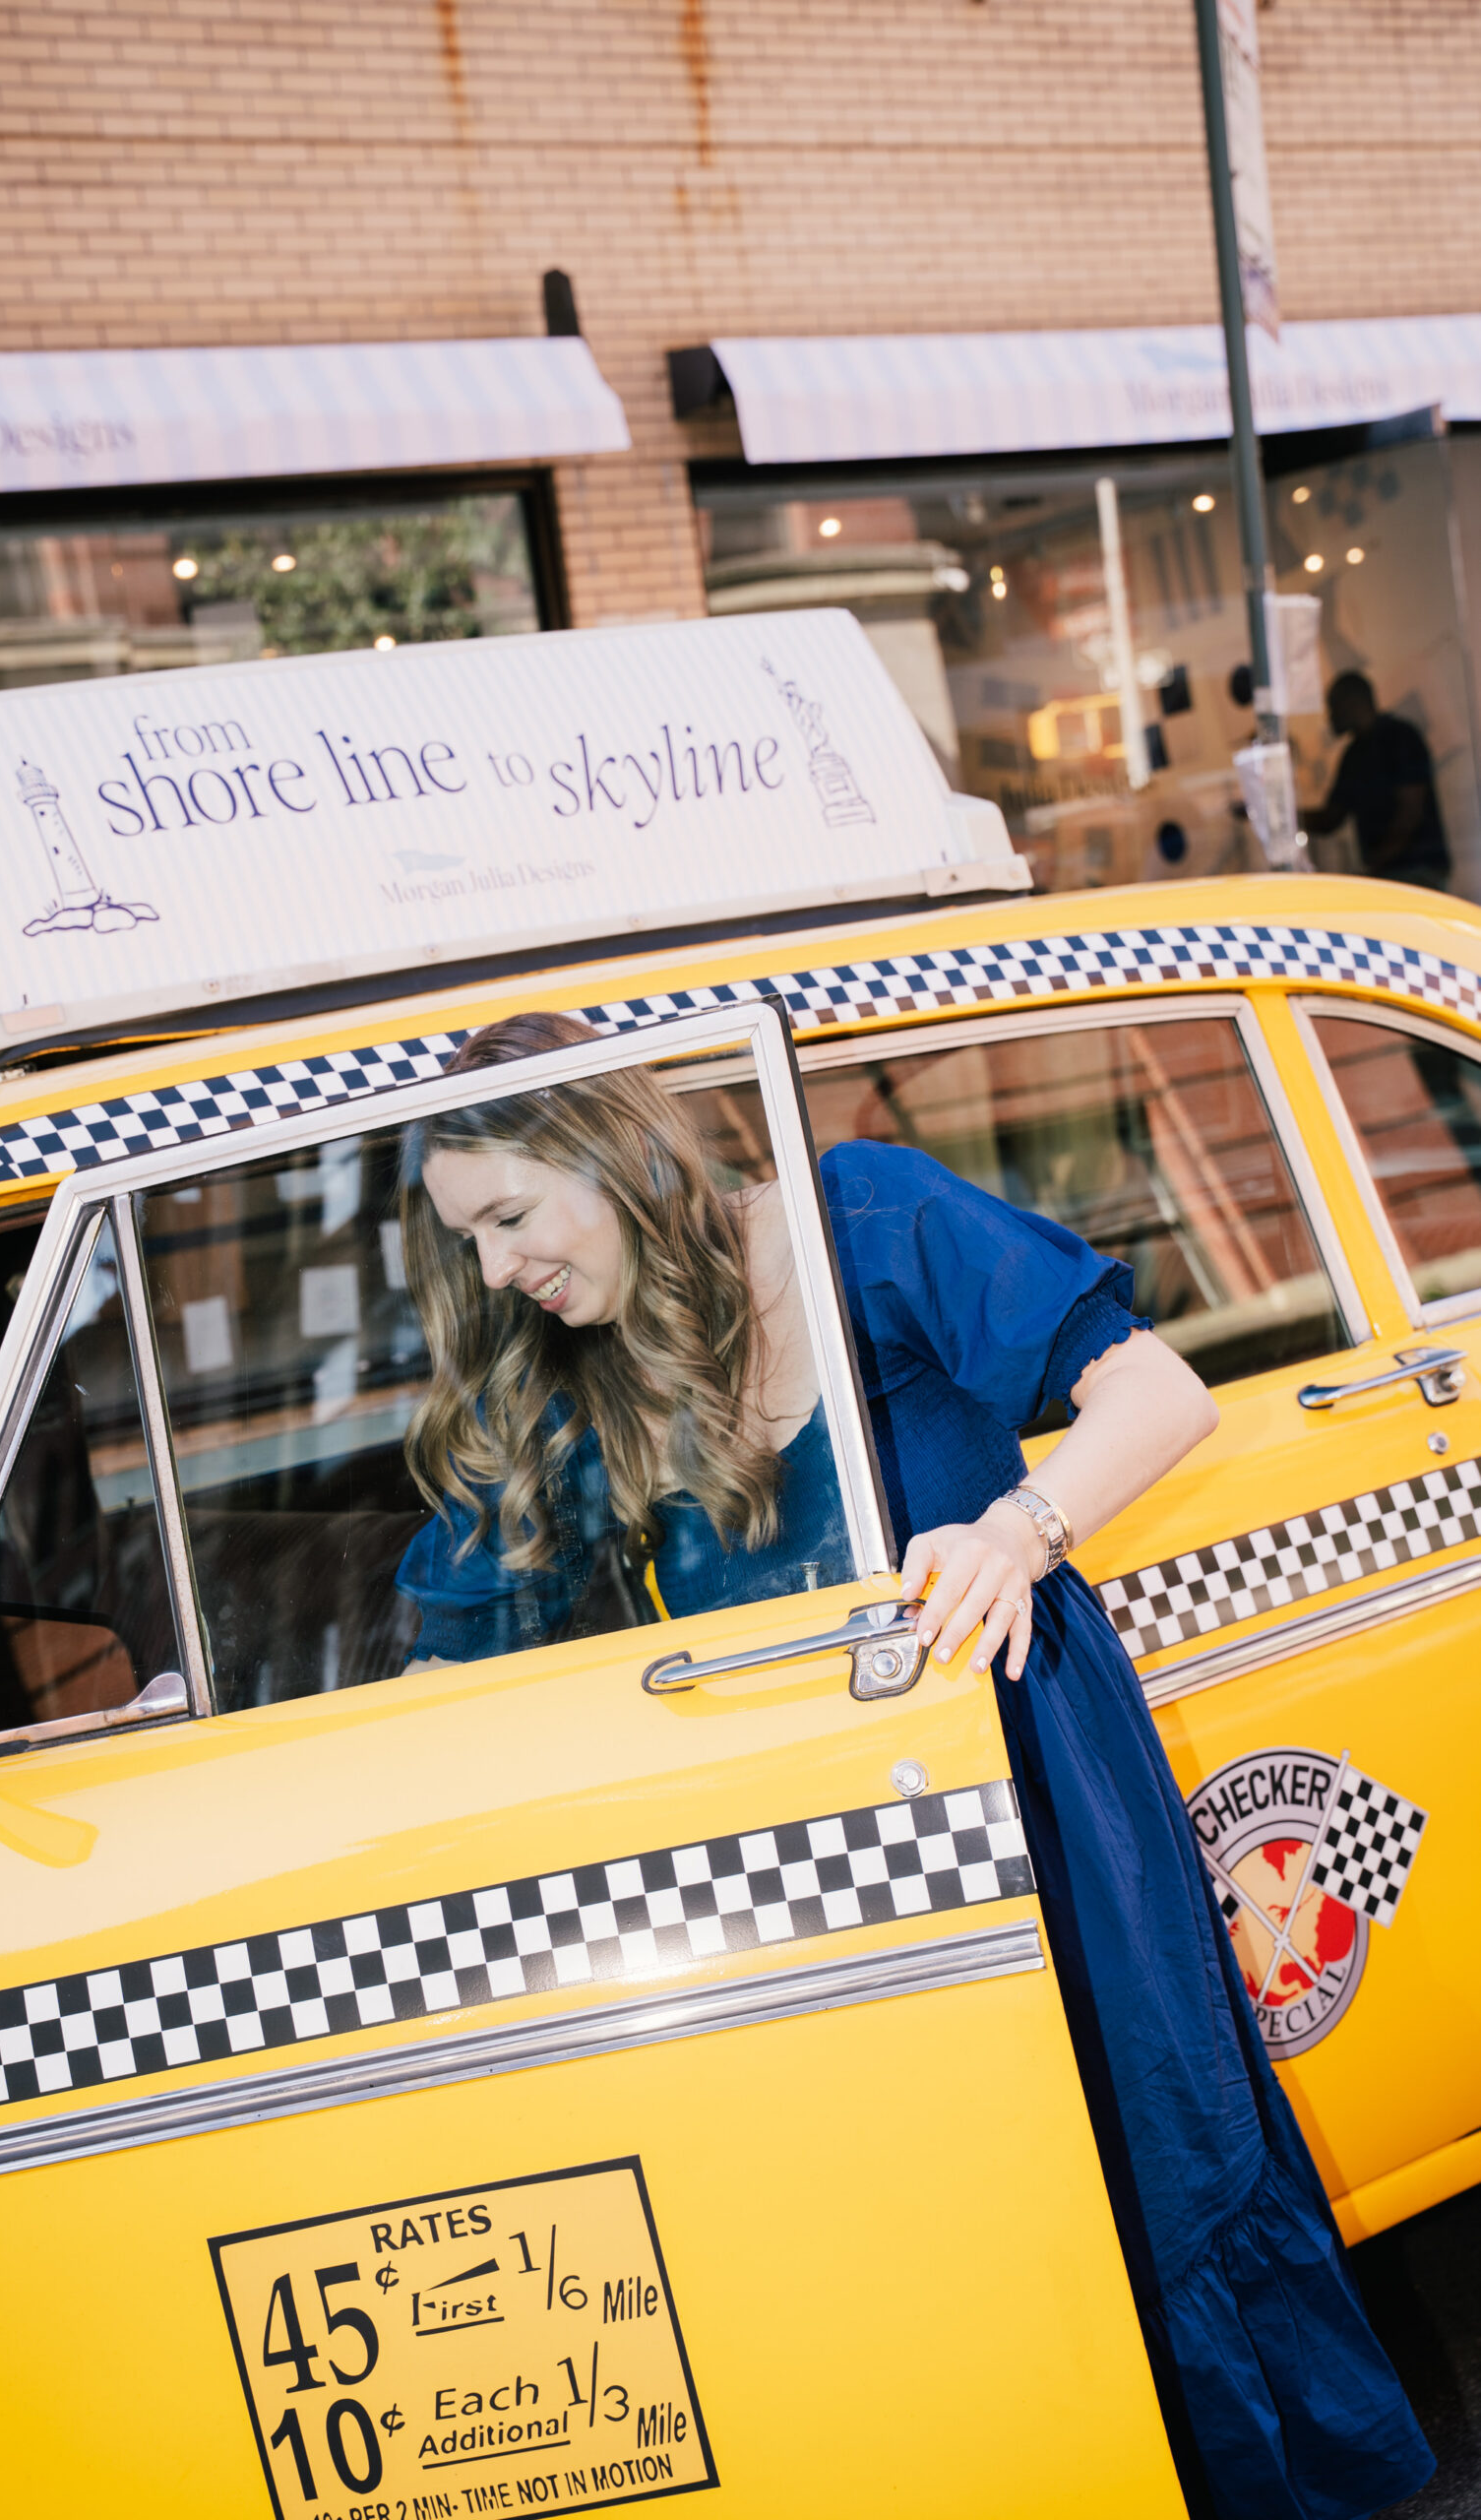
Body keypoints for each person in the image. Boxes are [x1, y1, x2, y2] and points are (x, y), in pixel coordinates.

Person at [393, 1010, 1432, 2520]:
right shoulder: (582, 1371)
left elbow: (1156, 1396)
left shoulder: (861, 1219)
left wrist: (1015, 1533)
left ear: (605, 1156)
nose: (493, 1271)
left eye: (505, 1217)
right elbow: (457, 1637)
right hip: (829, 1852)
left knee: (1152, 2153)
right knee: (956, 2228)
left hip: (1029, 1772)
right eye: (464, 1238)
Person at [1305, 670, 1451, 888]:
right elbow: (1331, 818)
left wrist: (1374, 866)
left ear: (1354, 702)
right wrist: (1282, 816)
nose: (1331, 716)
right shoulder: (1354, 754)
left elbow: (1410, 812)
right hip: (1387, 875)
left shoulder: (1401, 738)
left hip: (1418, 872)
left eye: (1334, 706)